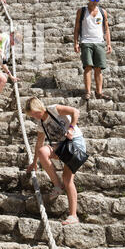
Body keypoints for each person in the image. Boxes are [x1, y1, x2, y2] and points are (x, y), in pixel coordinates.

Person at [25, 97, 87, 226]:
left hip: (74, 142)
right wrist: (35, 162)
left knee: (67, 178)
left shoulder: (54, 109)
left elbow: (75, 111)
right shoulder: (40, 123)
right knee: (42, 151)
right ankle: (57, 186)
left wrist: (71, 128)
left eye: (36, 113)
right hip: (61, 146)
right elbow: (39, 144)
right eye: (32, 115)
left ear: (40, 107)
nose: (36, 116)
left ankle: (73, 215)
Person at [73, 0, 112, 101]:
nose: (95, 1)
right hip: (86, 41)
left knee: (99, 68)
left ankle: (99, 92)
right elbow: (76, 28)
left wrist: (108, 43)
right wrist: (75, 42)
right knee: (88, 67)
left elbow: (106, 29)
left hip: (99, 42)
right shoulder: (82, 11)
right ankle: (88, 92)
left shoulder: (103, 12)